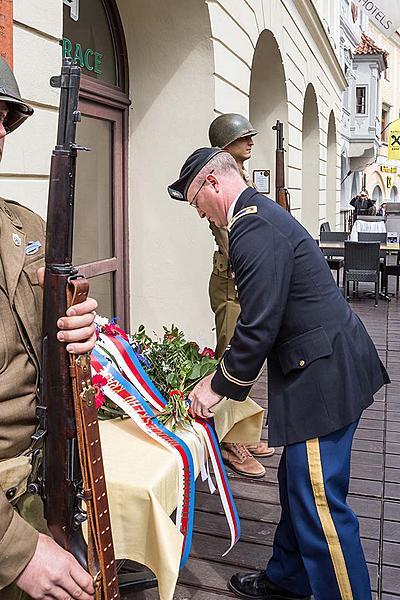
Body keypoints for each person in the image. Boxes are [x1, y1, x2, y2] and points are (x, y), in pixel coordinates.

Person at [168, 147, 390, 600]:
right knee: (297, 485)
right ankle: (289, 579)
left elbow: (259, 321)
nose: (198, 214)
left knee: (321, 508)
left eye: (195, 202)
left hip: (322, 378)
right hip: (319, 367)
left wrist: (218, 386)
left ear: (213, 183)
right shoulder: (257, 217)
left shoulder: (250, 226)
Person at [0, 58, 96, 599]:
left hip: (44, 480)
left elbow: (48, 337)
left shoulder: (26, 227)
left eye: (4, 119)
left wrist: (80, 322)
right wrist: (15, 550)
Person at [207, 114, 274, 479]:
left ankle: (242, 432)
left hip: (242, 282)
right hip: (233, 283)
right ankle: (230, 443)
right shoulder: (217, 185)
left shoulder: (239, 178)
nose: (249, 141)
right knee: (232, 358)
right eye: (242, 137)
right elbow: (233, 240)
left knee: (246, 359)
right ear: (225, 144)